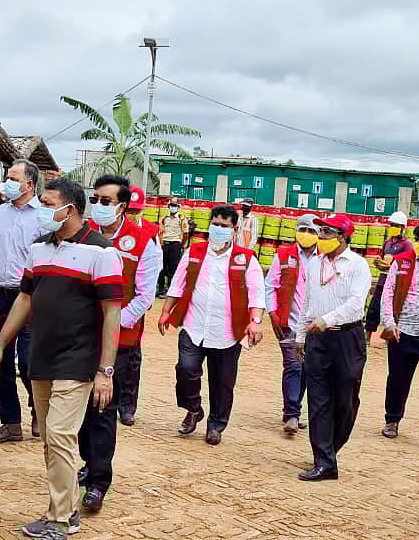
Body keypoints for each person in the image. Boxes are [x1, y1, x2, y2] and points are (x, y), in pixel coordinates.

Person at [0, 178, 122, 540]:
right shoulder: (39, 248)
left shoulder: (102, 251)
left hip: (78, 359)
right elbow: (24, 300)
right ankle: (68, 509)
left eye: (47, 204)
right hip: (40, 356)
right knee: (50, 438)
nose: (42, 210)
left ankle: (59, 520)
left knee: (61, 435)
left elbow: (112, 313)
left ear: (70, 210)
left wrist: (105, 371)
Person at [75, 174, 160, 511]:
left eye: (106, 201)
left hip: (119, 340)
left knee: (102, 409)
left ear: (123, 206)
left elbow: (145, 296)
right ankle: (87, 461)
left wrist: (113, 322)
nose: (98, 206)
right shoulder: (82, 237)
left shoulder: (143, 243)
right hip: (79, 336)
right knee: (77, 408)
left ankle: (98, 482)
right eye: (95, 199)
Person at [159, 204, 265, 446]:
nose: (218, 229)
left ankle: (216, 425)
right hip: (193, 325)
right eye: (215, 225)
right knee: (185, 370)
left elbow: (258, 293)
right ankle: (193, 409)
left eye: (224, 226)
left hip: (228, 332)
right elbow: (178, 282)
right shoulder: (195, 251)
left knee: (223, 382)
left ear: (234, 229)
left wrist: (255, 321)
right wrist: (166, 311)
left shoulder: (246, 258)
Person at [295, 214, 371, 481]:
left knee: (346, 400)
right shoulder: (315, 263)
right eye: (321, 231)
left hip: (346, 339)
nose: (321, 236)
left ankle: (331, 448)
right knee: (318, 400)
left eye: (327, 232)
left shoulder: (358, 266)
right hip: (317, 339)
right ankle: (324, 461)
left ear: (342, 236)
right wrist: (300, 336)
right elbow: (308, 300)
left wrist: (326, 320)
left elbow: (355, 304)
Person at [0, 159, 45, 444]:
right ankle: (10, 422)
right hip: (0, 295)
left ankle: (37, 408)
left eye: (12, 177)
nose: (7, 182)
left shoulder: (44, 217)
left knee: (31, 362)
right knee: (0, 361)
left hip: (32, 299)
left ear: (29, 184)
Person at [264, 214, 320, 434]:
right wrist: (272, 313)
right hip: (288, 321)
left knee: (307, 367)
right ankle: (292, 415)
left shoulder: (324, 257)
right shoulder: (283, 254)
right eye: (303, 229)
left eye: (312, 231)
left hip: (314, 325)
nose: (306, 235)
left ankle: (293, 407)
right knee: (294, 365)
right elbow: (270, 286)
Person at [380, 229, 419, 439]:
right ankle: (392, 419)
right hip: (402, 331)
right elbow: (387, 293)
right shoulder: (401, 262)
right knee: (398, 378)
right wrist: (389, 322)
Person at [367, 211, 413, 345]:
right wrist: (379, 263)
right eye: (392, 225)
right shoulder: (387, 243)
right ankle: (367, 337)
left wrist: (390, 268)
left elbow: (406, 265)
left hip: (397, 282)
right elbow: (383, 259)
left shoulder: (407, 245)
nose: (393, 227)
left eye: (396, 225)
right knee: (374, 307)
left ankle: (391, 338)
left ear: (403, 227)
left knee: (393, 309)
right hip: (382, 280)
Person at [158, 197, 189, 298]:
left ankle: (170, 289)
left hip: (175, 244)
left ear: (178, 207)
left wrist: (181, 245)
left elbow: (185, 233)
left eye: (175, 206)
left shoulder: (181, 218)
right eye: (171, 205)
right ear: (168, 206)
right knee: (162, 267)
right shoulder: (164, 218)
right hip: (165, 244)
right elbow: (160, 231)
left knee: (173, 268)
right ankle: (161, 289)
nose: (173, 208)